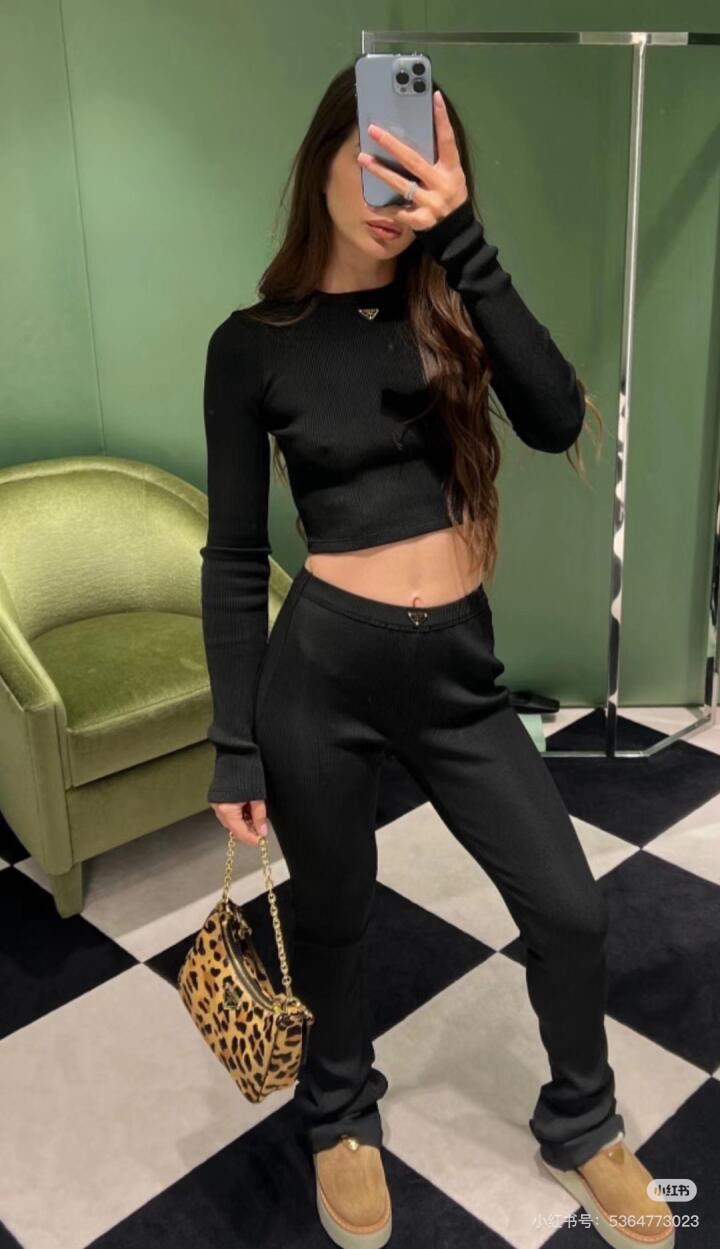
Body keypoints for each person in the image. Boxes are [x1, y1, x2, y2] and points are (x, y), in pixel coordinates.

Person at [200, 65, 675, 1249]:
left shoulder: (452, 301)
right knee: (335, 915)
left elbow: (556, 419)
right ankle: (340, 1113)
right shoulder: (251, 346)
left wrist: (460, 238)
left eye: (414, 163)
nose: (388, 190)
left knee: (569, 907)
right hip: (323, 678)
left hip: (459, 676)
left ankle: (583, 1123)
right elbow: (234, 557)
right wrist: (233, 743)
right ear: (322, 158)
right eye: (370, 158)